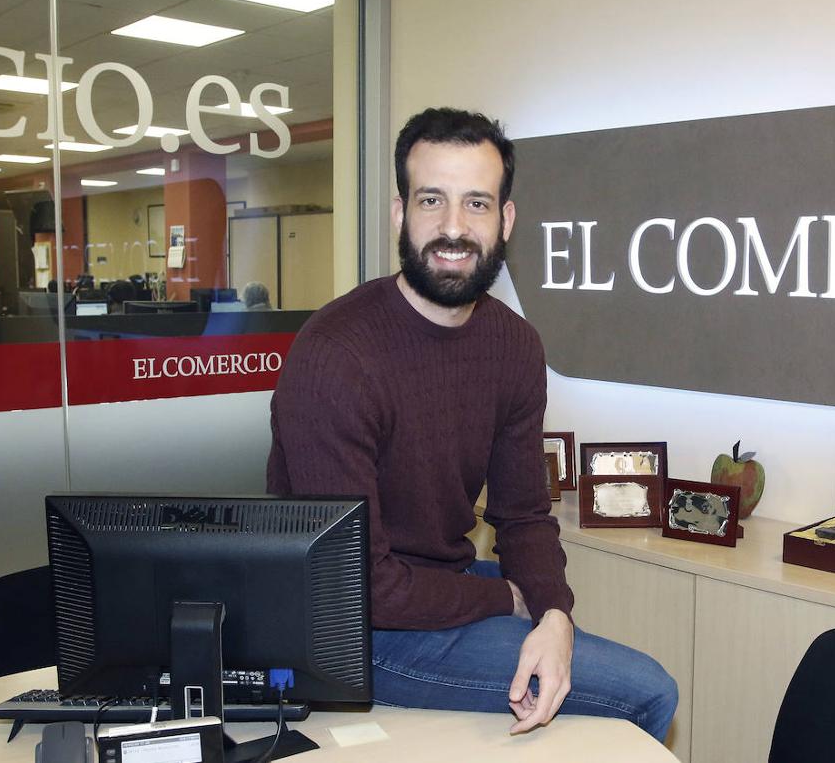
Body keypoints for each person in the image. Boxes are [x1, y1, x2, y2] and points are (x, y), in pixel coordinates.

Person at [267, 107, 677, 741]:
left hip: (439, 585)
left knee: (556, 629)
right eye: (432, 200)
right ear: (400, 213)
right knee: (650, 691)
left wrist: (554, 616)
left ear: (505, 220)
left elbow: (523, 514)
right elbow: (360, 585)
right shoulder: (336, 356)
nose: (453, 227)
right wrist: (506, 598)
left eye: (476, 203)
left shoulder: (514, 345)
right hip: (350, 629)